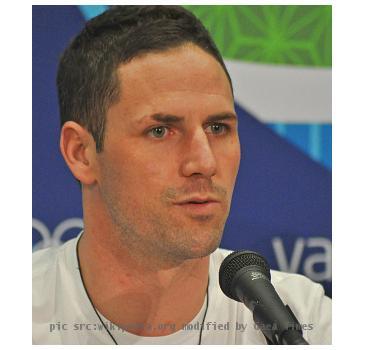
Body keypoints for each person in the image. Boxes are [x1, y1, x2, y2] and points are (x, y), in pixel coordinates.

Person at [32, 5, 331, 345]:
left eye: (218, 127)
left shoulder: (305, 320)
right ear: (81, 153)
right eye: (160, 131)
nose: (204, 162)